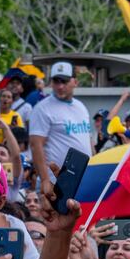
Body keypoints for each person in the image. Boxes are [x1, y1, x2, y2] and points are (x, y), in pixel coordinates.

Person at [29, 61, 92, 203]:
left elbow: (88, 140)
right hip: (55, 182)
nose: (60, 86)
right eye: (56, 81)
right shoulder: (42, 108)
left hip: (83, 180)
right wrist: (45, 179)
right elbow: (35, 145)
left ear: (75, 82)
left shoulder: (80, 106)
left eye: (64, 81)